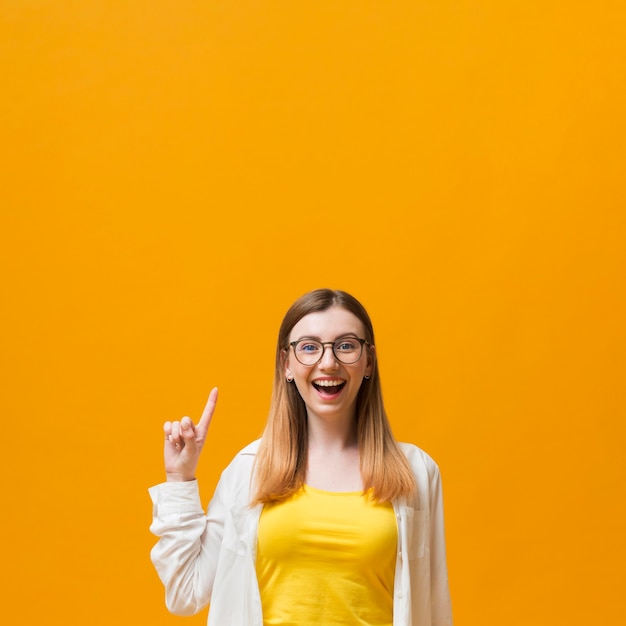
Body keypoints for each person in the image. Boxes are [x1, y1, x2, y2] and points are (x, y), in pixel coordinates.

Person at [149, 288, 452, 626]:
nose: (328, 362)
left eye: (346, 345)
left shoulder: (416, 472)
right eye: (309, 347)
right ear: (287, 364)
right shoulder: (249, 469)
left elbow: (434, 608)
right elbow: (185, 593)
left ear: (368, 361)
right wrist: (180, 480)